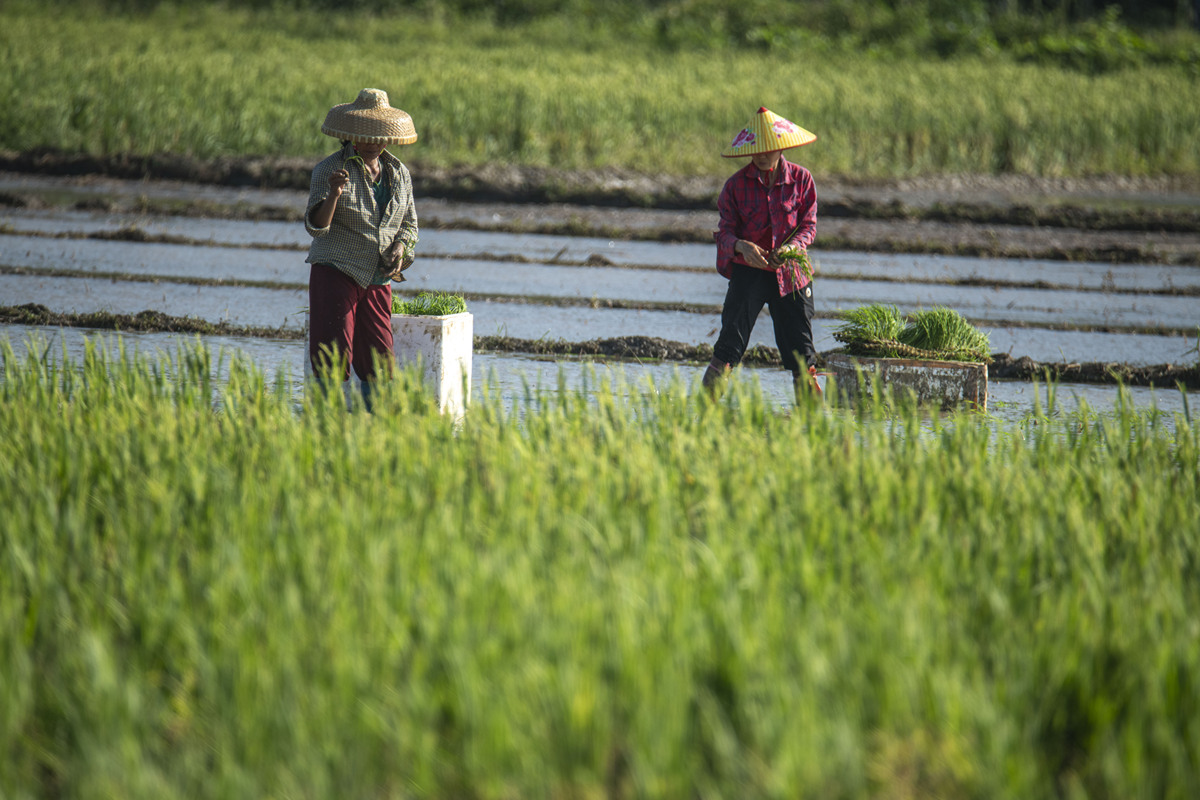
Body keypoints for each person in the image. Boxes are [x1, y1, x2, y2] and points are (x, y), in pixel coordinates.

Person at [305, 87, 419, 407]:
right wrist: (334, 195)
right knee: (332, 354)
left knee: (380, 360)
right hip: (337, 271)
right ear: (351, 135)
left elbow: (409, 224)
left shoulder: (398, 173)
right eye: (365, 136)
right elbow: (317, 226)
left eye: (379, 136)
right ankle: (326, 422)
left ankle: (376, 426)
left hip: (378, 276)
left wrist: (401, 248)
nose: (373, 143)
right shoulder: (330, 170)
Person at [704, 106, 820, 396]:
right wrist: (741, 246)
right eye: (756, 149)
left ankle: (812, 425)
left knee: (802, 355)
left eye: (768, 149)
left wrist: (792, 247)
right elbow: (725, 232)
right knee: (729, 345)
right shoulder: (735, 186)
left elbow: (809, 226)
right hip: (749, 272)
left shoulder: (802, 181)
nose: (761, 155)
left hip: (790, 274)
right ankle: (703, 414)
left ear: (780, 147)